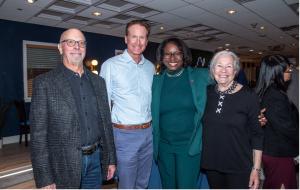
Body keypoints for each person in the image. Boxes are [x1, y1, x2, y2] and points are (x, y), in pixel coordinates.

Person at [30, 28, 116, 189]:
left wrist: (110, 159)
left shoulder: (99, 82)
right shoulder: (44, 83)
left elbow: (106, 124)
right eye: (70, 42)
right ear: (60, 48)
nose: (77, 47)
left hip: (96, 160)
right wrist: (45, 177)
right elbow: (38, 136)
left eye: (81, 43)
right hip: (63, 164)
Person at [100, 20, 154, 189]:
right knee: (127, 185)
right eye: (134, 37)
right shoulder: (110, 65)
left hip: (148, 134)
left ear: (147, 41)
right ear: (126, 38)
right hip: (123, 134)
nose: (138, 42)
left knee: (143, 183)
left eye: (142, 38)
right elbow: (103, 105)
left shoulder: (151, 67)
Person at [151, 37, 212, 188]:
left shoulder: (199, 76)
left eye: (177, 53)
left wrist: (249, 109)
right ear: (161, 57)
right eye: (167, 54)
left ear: (184, 55)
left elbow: (226, 83)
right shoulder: (156, 82)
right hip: (164, 147)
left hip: (189, 147)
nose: (172, 58)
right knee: (168, 186)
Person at [201, 50, 264, 189]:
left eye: (229, 66)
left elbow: (257, 135)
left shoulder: (249, 96)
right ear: (212, 69)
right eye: (219, 66)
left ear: (235, 70)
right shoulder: (206, 92)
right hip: (212, 165)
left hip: (239, 167)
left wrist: (256, 169)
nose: (223, 70)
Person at [255, 55, 299, 189]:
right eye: (287, 71)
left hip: (274, 150)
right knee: (282, 185)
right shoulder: (274, 96)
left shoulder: (270, 92)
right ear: (276, 73)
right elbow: (287, 128)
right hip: (279, 152)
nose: (290, 73)